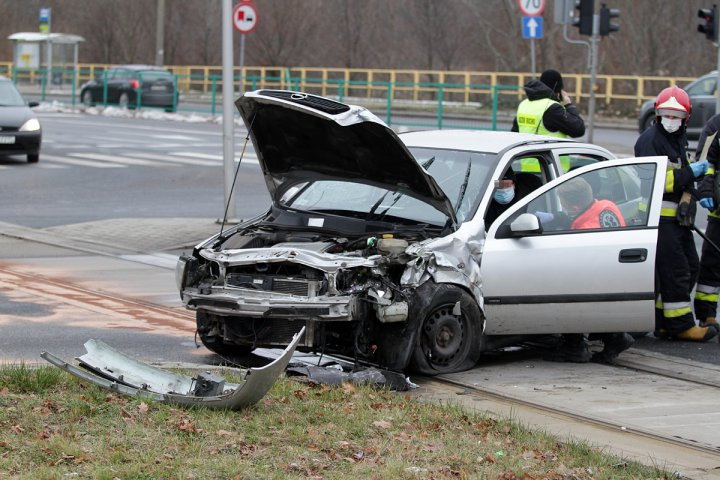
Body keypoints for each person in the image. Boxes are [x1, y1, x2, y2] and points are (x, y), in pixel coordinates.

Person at [634, 86, 718, 342]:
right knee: (677, 271)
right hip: (658, 221)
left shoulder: (676, 139)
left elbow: (681, 177)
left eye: (676, 116)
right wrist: (691, 174)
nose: (671, 120)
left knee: (690, 267)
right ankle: (681, 325)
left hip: (677, 221)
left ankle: (663, 323)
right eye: (666, 114)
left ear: (686, 118)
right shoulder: (650, 140)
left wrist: (691, 192)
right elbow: (656, 181)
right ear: (658, 115)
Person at [541, 177, 635, 363]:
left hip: (598, 283)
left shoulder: (585, 231)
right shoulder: (607, 206)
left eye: (563, 204)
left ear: (573, 207)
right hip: (619, 275)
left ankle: (574, 347)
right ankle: (615, 338)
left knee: (562, 289)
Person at [693, 113, 720, 330]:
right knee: (711, 265)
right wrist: (705, 190)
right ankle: (706, 316)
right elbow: (704, 162)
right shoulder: (716, 125)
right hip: (719, 213)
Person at [512, 69, 585, 139]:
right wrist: (569, 105)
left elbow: (514, 134)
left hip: (526, 151)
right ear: (558, 90)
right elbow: (578, 130)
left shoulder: (523, 104)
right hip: (549, 151)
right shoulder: (552, 108)